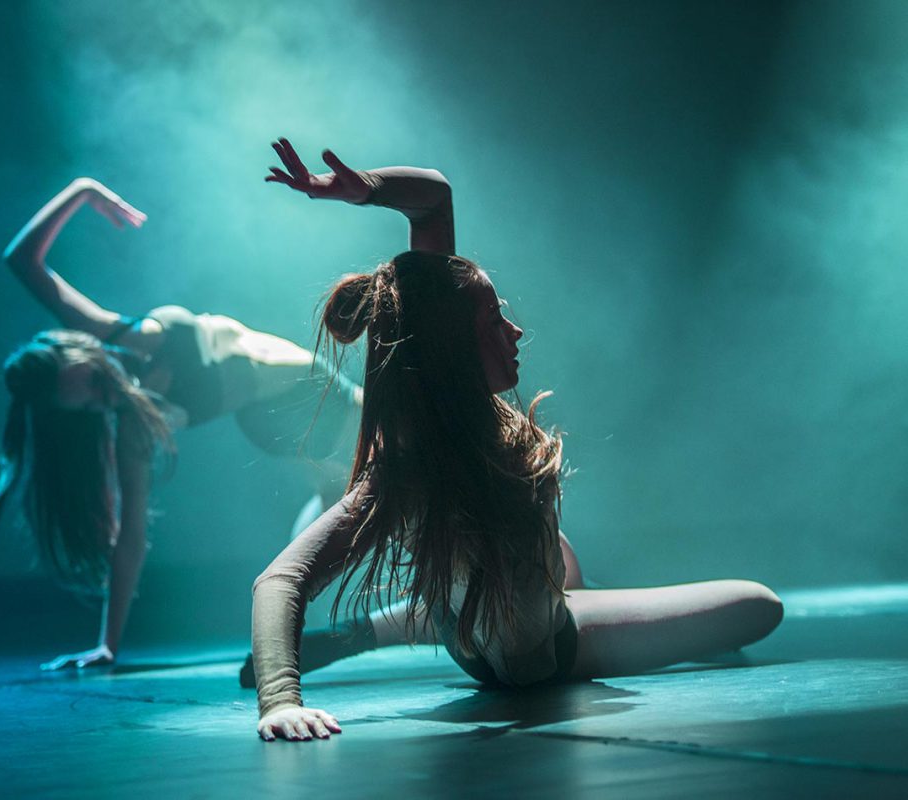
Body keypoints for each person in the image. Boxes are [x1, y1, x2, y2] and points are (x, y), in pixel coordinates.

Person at [250, 139, 783, 742]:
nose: (517, 329)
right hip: (542, 652)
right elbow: (281, 580)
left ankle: (390, 626)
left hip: (498, 603)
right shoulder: (406, 468)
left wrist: (360, 187)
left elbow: (434, 199)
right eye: (494, 320)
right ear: (453, 350)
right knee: (759, 605)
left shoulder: (448, 372)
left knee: (555, 556)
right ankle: (393, 627)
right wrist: (279, 699)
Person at [0, 177, 360, 671]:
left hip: (325, 405)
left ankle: (308, 639)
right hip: (298, 434)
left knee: (341, 529)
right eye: (87, 406)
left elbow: (21, 262)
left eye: (90, 381)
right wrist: (108, 644)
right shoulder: (133, 427)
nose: (99, 397)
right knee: (319, 553)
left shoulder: (135, 336)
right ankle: (302, 647)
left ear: (84, 347)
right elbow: (130, 537)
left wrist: (84, 191)